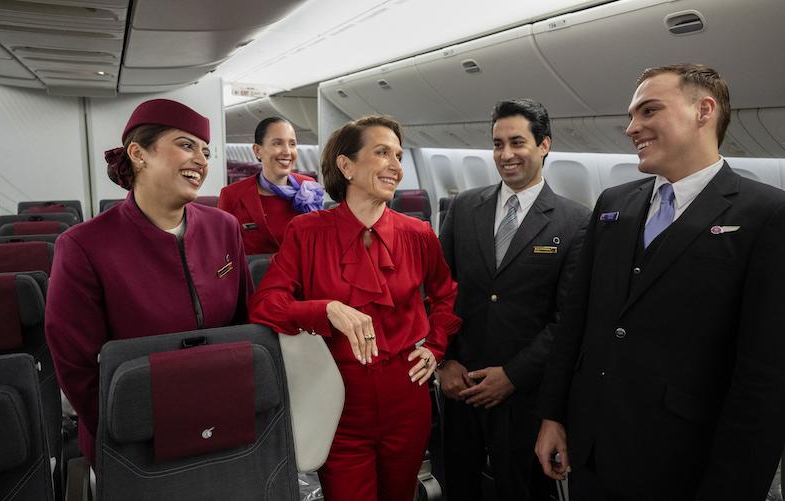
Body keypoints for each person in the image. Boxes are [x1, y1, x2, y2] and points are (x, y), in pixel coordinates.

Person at [534, 64, 785, 500]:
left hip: (682, 461)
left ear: (704, 111)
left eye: (648, 111)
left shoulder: (769, 215)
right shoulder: (613, 203)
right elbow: (576, 321)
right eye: (632, 115)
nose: (631, 127)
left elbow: (766, 380)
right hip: (592, 447)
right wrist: (553, 415)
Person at [249, 115, 461, 501]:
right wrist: (324, 309)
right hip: (336, 397)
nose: (396, 166)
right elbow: (265, 305)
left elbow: (445, 296)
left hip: (406, 393)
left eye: (399, 155)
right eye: (382, 153)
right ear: (346, 166)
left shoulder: (418, 234)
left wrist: (435, 346)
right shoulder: (308, 233)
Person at [45, 99, 253, 464]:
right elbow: (78, 369)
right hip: (134, 439)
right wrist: (129, 430)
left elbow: (246, 324)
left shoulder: (224, 227)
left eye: (206, 151)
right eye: (186, 145)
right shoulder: (83, 246)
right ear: (139, 153)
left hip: (223, 420)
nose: (202, 161)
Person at [437, 99, 589, 500]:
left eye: (517, 142)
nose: (506, 155)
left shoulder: (575, 222)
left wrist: (513, 375)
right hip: (461, 384)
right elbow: (438, 290)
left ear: (544, 145)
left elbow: (567, 318)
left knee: (520, 489)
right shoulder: (464, 206)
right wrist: (444, 360)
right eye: (498, 144)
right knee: (459, 484)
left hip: (525, 394)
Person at [218, 117, 324, 255]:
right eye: (277, 143)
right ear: (257, 151)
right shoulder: (232, 195)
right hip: (257, 276)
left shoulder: (308, 187)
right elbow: (224, 252)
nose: (287, 151)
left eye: (292, 144)